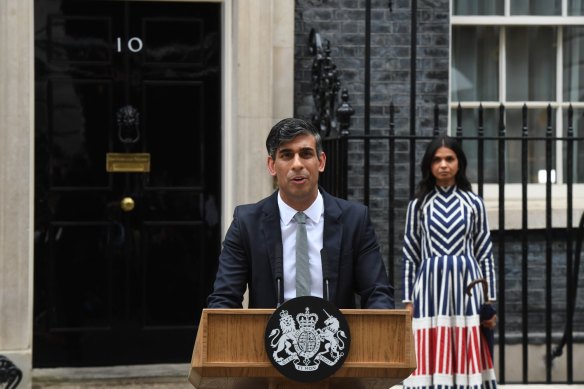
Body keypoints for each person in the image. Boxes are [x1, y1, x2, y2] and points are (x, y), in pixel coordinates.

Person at [207, 118, 394, 309]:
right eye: (287, 155)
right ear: (272, 166)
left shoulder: (355, 220)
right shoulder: (246, 223)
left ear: (321, 162)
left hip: (336, 336)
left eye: (305, 154)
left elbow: (378, 294)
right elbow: (224, 299)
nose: (297, 164)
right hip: (269, 337)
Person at [401, 134, 497, 389]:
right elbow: (410, 253)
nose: (443, 165)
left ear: (459, 163)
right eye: (437, 160)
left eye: (449, 159)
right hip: (430, 286)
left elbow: (484, 251)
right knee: (429, 345)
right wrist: (408, 301)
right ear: (429, 166)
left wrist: (489, 302)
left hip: (468, 286)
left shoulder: (474, 203)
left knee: (466, 341)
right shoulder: (418, 205)